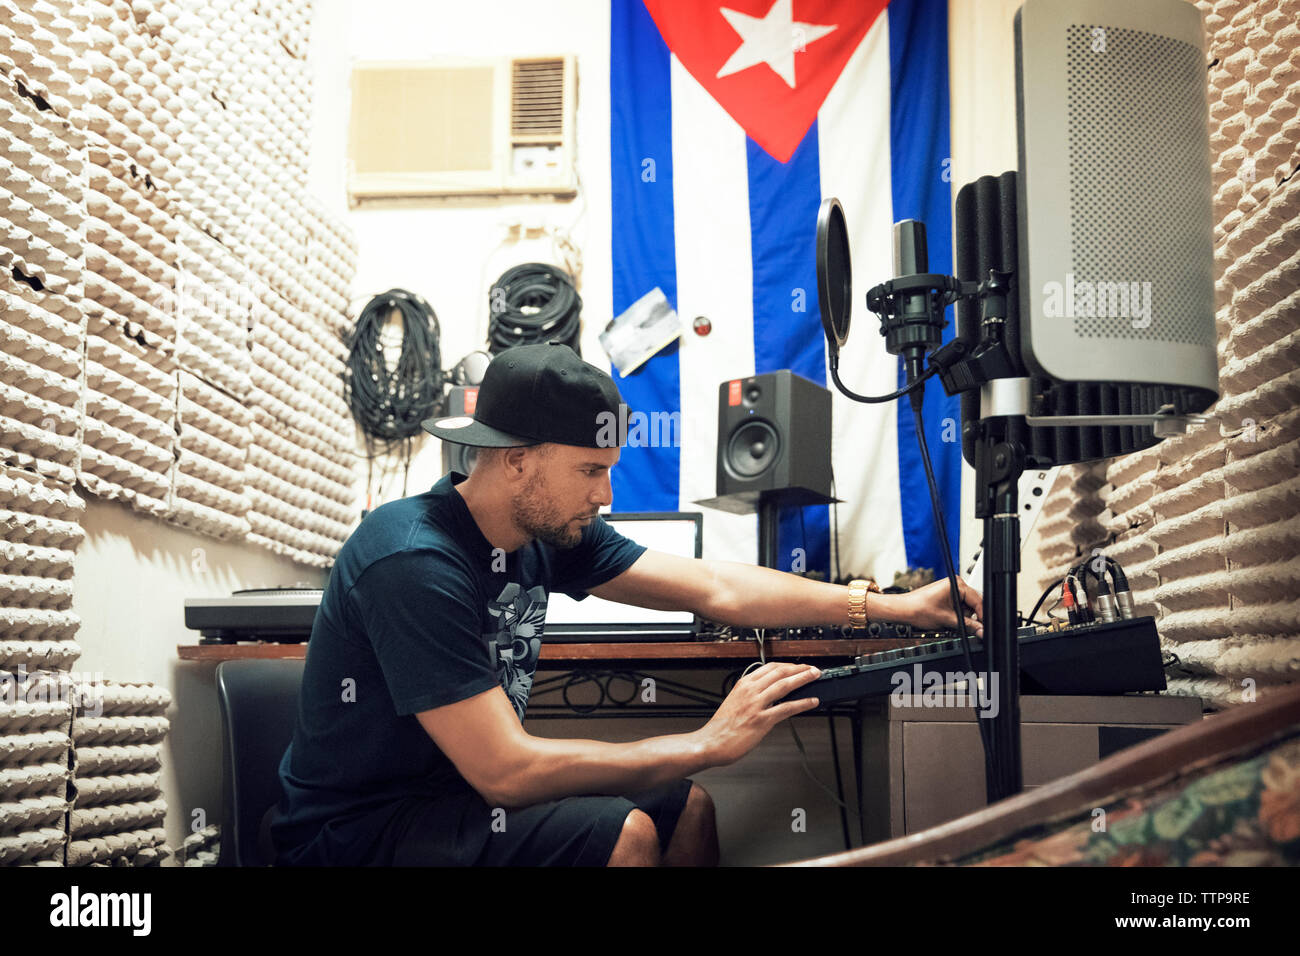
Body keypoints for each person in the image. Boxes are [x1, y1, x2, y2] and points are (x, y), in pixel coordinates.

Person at [269, 342, 983, 866]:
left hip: (455, 803)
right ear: (517, 460)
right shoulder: (413, 560)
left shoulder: (543, 530)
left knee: (685, 807)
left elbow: (718, 588)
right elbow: (506, 771)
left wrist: (898, 608)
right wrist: (700, 743)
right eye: (589, 472)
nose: (606, 496)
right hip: (359, 833)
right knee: (629, 833)